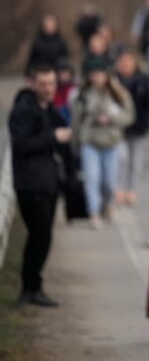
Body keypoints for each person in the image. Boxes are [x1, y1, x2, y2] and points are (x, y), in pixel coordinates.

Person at [9, 65, 73, 307]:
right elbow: (21, 144)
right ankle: (29, 287)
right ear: (32, 83)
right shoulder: (24, 110)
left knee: (43, 236)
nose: (48, 89)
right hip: (29, 183)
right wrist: (53, 138)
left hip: (48, 181)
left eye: (52, 84)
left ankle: (34, 285)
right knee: (40, 234)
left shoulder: (51, 110)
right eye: (43, 84)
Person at [71, 59, 134, 229]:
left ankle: (108, 204)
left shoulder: (117, 93)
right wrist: (75, 142)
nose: (97, 78)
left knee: (109, 180)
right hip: (90, 140)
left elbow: (129, 115)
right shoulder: (83, 95)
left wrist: (112, 118)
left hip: (112, 141)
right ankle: (94, 212)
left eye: (100, 74)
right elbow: (76, 120)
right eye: (94, 74)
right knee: (92, 179)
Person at [115, 49, 149, 206]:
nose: (126, 65)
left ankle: (131, 190)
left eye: (129, 62)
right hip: (119, 128)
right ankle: (119, 188)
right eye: (123, 62)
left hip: (138, 127)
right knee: (122, 159)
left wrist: (148, 123)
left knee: (135, 161)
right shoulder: (114, 82)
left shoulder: (144, 81)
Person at [54, 59, 78, 124]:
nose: (63, 75)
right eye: (61, 73)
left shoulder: (74, 89)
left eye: (65, 73)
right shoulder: (53, 88)